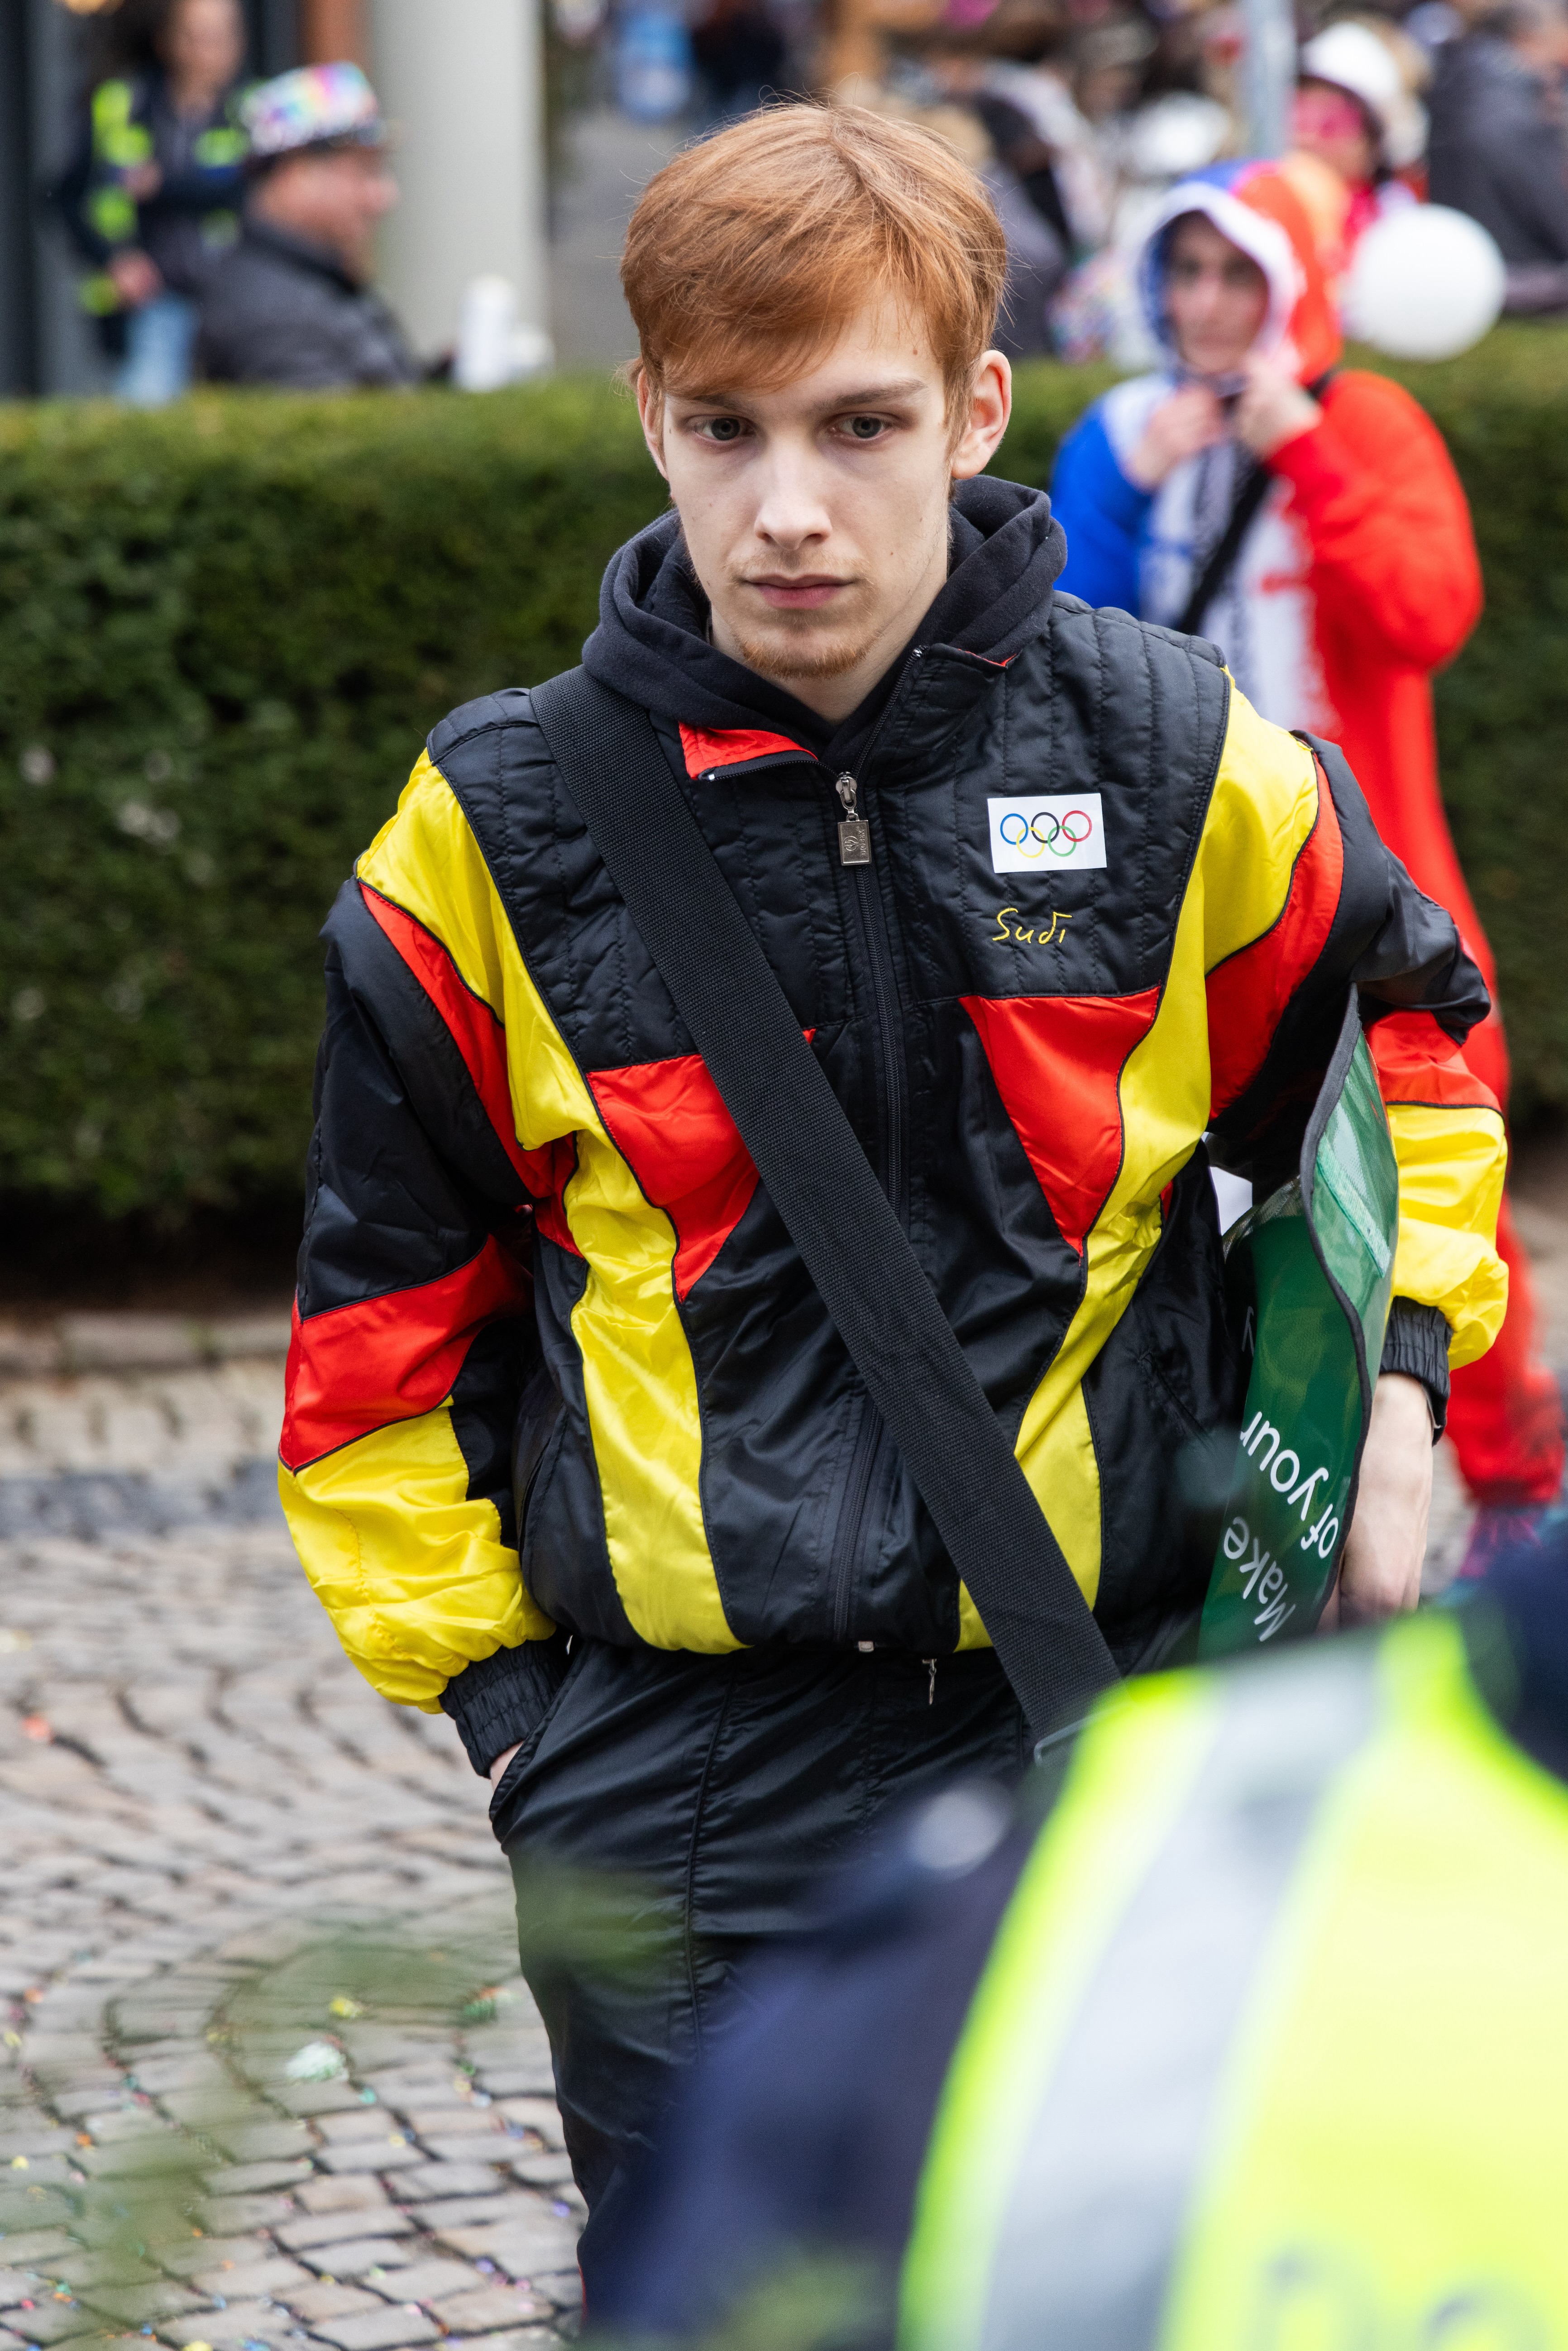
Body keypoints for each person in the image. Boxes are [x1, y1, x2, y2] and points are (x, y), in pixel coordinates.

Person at [277, 105, 1505, 2302]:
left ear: (971, 408)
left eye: (855, 425)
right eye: (722, 428)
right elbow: (376, 1330)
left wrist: (1398, 1379)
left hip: (1100, 1724)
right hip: (667, 1778)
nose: (785, 508)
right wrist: (517, 1724)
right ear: (647, 417)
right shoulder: (491, 827)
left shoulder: (1170, 757)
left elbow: (1401, 1045)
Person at [588, 1528, 1568, 2346]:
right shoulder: (1185, 1828)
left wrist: (1398, 1368)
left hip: (1084, 1649)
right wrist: (513, 1696)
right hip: (687, 1730)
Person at [1050, 162, 1564, 1563]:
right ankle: (1250, 1521)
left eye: (1239, 272)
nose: (1208, 303)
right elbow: (1058, 664)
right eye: (1185, 272)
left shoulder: (1367, 421)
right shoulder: (1114, 434)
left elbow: (1424, 615)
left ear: (1294, 284)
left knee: (1440, 1165)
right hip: (1180, 894)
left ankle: (1513, 1487)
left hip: (1373, 876)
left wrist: (1311, 457)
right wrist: (1124, 492)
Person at [46, 0, 249, 407]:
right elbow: (65, 198)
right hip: (150, 303)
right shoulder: (122, 105)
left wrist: (163, 186)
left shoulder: (252, 111)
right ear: (168, 41)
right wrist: (114, 260)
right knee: (147, 408)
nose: (208, 51)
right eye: (196, 36)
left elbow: (253, 193)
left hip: (237, 298)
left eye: (220, 36)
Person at [196, 63, 418, 391]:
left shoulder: (309, 279)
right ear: (296, 174)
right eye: (366, 171)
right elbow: (341, 423)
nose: (385, 197)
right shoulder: (274, 317)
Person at [1429, 0, 1568, 311]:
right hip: (1521, 278)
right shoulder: (1516, 108)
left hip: (1462, 268)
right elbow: (1553, 216)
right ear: (1526, 38)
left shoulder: (1453, 81)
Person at [1291, 18, 1425, 276]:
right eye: (1298, 113)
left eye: (1331, 123)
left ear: (1374, 146)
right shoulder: (1247, 214)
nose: (1306, 137)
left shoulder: (1395, 227)